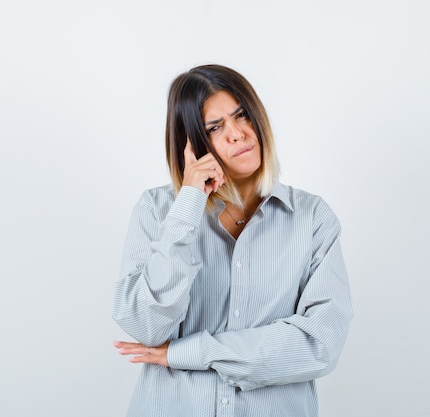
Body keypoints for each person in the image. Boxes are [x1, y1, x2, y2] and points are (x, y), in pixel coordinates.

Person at [112, 64, 353, 417]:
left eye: (242, 116)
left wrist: (188, 352)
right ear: (192, 144)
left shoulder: (312, 218)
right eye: (215, 127)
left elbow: (318, 344)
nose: (238, 134)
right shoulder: (157, 210)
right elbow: (147, 326)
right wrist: (189, 205)